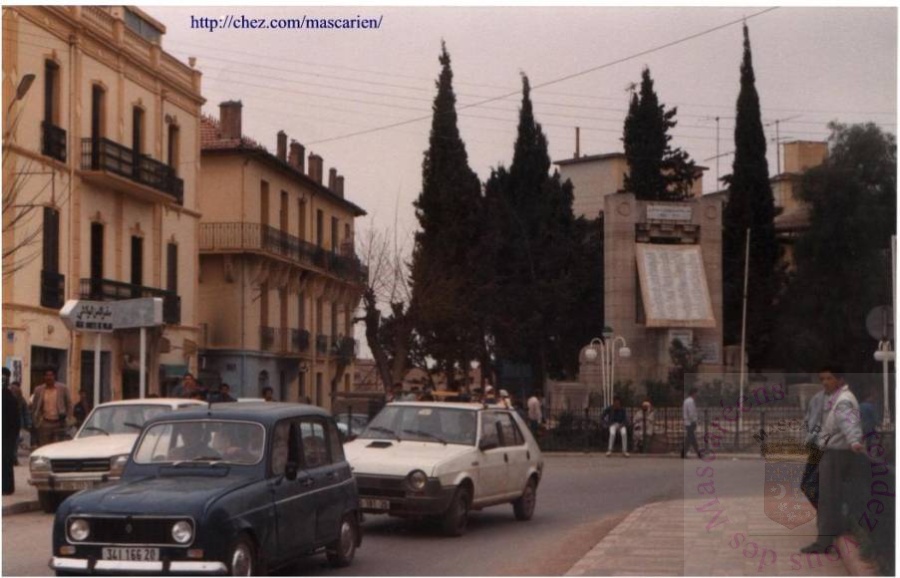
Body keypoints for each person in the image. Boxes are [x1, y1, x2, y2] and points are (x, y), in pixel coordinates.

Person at [801, 366, 867, 554]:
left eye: (829, 378)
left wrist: (854, 441)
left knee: (828, 499)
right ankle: (833, 531)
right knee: (826, 496)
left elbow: (849, 423)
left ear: (840, 380)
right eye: (822, 379)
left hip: (836, 453)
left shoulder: (843, 400)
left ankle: (824, 542)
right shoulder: (833, 398)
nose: (824, 382)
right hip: (829, 450)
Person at [31, 369, 74, 447]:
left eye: (51, 375)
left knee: (58, 446)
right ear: (44, 377)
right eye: (47, 375)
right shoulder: (39, 390)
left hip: (59, 423)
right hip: (44, 423)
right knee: (44, 446)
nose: (49, 377)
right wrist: (35, 421)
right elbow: (34, 406)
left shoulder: (63, 388)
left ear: (54, 376)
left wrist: (68, 417)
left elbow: (69, 404)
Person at [800, 385, 825, 509]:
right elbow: (809, 420)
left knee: (811, 483)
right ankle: (823, 512)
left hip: (825, 447)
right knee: (807, 484)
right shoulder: (818, 398)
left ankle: (826, 513)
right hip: (816, 445)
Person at [3, 367, 20, 495]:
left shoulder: (10, 397)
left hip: (7, 434)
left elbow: (15, 418)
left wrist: (14, 435)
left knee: (6, 460)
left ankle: (7, 487)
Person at [9, 382, 30, 464]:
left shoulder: (21, 400)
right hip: (16, 424)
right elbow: (26, 413)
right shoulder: (21, 400)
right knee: (14, 443)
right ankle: (13, 458)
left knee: (14, 442)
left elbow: (25, 412)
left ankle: (13, 458)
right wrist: (27, 424)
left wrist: (27, 424)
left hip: (15, 424)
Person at [681, 387, 701, 458]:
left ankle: (684, 453)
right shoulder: (690, 401)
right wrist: (694, 421)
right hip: (690, 422)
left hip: (687, 422)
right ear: (693, 393)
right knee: (691, 438)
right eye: (696, 393)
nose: (697, 395)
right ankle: (698, 453)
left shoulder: (687, 401)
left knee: (690, 439)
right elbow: (691, 412)